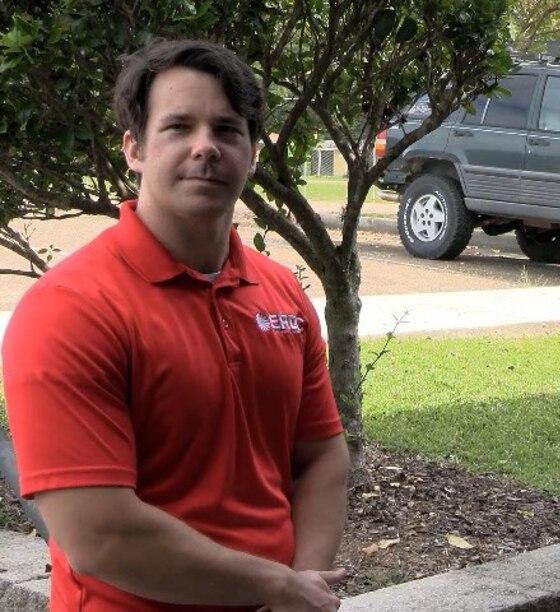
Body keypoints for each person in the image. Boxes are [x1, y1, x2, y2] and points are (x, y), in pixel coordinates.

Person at [1, 39, 349, 611]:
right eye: (179, 127)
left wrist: (300, 592)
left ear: (253, 151)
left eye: (228, 129)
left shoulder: (281, 292)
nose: (205, 147)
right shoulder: (68, 310)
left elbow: (321, 457)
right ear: (134, 148)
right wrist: (280, 586)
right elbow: (99, 535)